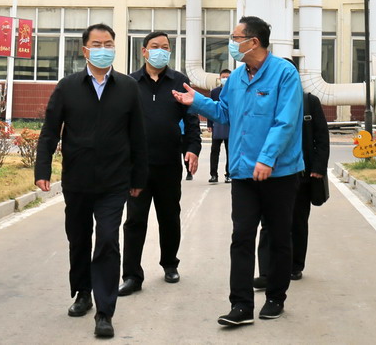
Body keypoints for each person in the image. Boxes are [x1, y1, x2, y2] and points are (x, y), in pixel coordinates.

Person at [172, 16, 304, 326]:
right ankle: (241, 305)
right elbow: (224, 112)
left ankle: (275, 297)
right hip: (244, 172)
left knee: (278, 237)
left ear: (253, 42)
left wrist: (267, 158)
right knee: (241, 236)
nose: (232, 43)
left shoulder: (285, 74)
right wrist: (196, 102)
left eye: (235, 38)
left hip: (279, 173)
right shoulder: (236, 78)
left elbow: (285, 122)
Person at [34, 23, 148, 339]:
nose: (103, 49)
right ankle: (83, 292)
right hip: (78, 180)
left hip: (114, 181)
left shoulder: (127, 87)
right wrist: (42, 170)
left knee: (108, 240)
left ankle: (105, 311)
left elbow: (138, 136)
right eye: (97, 44)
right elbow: (50, 132)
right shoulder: (68, 87)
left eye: (108, 43)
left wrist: (138, 176)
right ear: (85, 50)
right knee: (79, 238)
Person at [119, 31, 201, 296]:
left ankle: (170, 264)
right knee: (135, 221)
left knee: (169, 217)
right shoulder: (129, 83)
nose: (161, 51)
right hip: (137, 167)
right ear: (144, 51)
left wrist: (193, 149)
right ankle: (131, 275)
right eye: (155, 46)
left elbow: (191, 120)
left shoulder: (179, 81)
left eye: (165, 47)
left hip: (168, 164)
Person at [254, 88, 330, 288]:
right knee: (267, 223)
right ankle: (266, 272)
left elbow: (322, 136)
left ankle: (295, 266)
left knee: (297, 221)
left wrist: (319, 168)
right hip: (271, 172)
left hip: (301, 174)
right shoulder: (266, 99)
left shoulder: (309, 102)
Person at [208, 69, 231, 183]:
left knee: (230, 151)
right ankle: (213, 174)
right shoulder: (214, 92)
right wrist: (209, 124)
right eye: (223, 77)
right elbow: (210, 108)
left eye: (227, 77)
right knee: (214, 151)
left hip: (230, 125)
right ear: (219, 78)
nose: (225, 79)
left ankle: (229, 174)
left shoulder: (234, 91)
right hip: (217, 125)